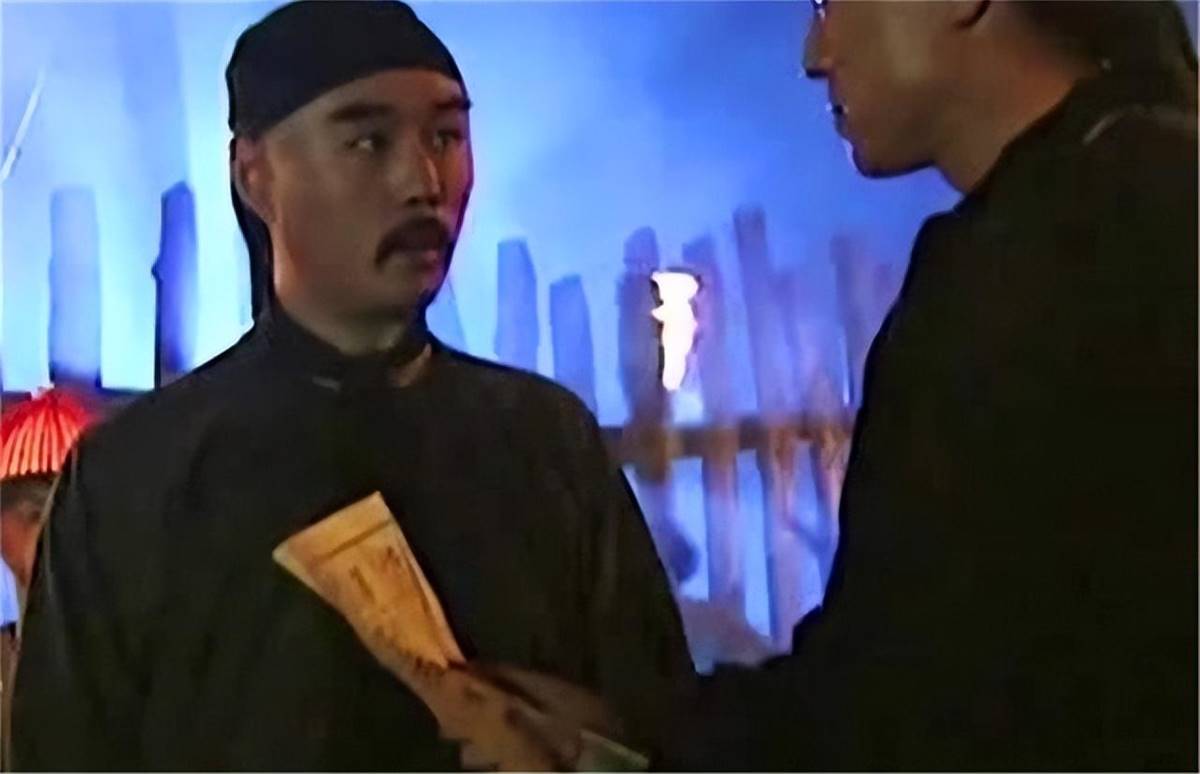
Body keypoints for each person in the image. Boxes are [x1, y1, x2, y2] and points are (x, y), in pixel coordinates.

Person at [11, 2, 693, 769]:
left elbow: (658, 727)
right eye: (369, 142)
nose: (423, 181)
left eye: (447, 137)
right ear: (255, 175)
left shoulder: (544, 442)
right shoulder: (138, 475)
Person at [669, 1, 1197, 769]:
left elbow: (912, 696)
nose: (814, 54)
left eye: (830, 3)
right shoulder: (1140, 187)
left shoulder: (1044, 263)